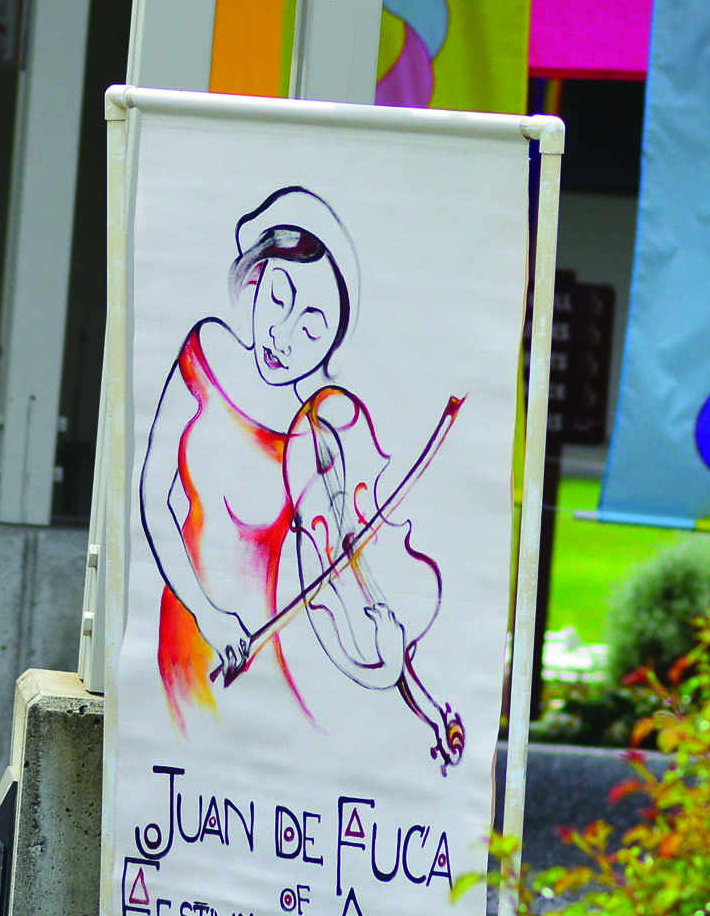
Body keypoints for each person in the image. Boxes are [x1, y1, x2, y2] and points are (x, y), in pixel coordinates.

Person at [136, 186, 464, 772]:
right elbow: (152, 495)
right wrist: (208, 615)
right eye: (279, 298)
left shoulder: (312, 435)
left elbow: (350, 577)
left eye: (313, 330)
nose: (284, 337)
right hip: (192, 635)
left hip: (260, 665)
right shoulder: (205, 349)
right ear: (256, 280)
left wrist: (427, 706)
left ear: (331, 347)